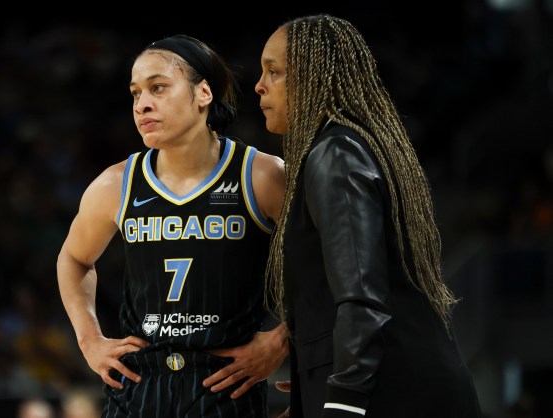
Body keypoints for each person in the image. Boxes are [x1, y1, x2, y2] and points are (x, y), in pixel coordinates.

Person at [255, 14, 482, 418]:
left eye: (274, 71)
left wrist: (342, 402)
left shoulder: (335, 155)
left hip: (398, 393)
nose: (259, 85)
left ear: (311, 77)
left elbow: (362, 300)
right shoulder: (343, 147)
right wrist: (311, 387)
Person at [56, 34, 288, 418]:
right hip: (137, 388)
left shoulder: (261, 175)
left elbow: (325, 269)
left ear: (203, 93)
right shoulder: (116, 184)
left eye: (158, 88)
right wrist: (89, 339)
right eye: (135, 94)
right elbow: (73, 258)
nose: (142, 104)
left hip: (226, 387)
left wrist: (282, 339)